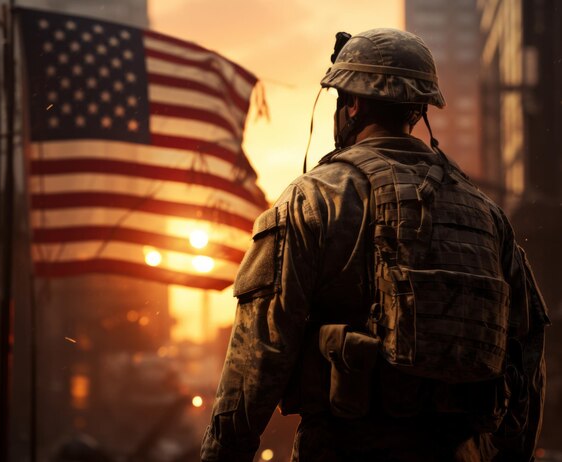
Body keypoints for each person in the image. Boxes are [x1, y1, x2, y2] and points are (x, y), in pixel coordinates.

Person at [200, 28, 549, 462]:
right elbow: (527, 352)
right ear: (419, 109)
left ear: (353, 104)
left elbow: (259, 354)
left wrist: (222, 453)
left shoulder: (315, 198)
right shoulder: (485, 212)